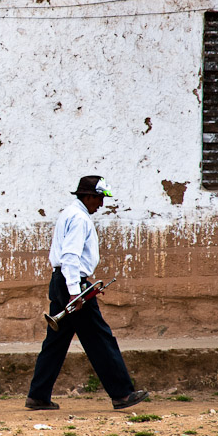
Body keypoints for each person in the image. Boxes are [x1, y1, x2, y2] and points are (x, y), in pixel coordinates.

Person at [25, 175, 148, 411]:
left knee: (56, 341)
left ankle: (38, 395)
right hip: (72, 284)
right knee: (100, 339)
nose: (101, 204)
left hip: (62, 281)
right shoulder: (80, 218)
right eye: (99, 199)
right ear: (89, 196)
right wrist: (76, 293)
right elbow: (70, 257)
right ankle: (122, 394)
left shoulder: (69, 213)